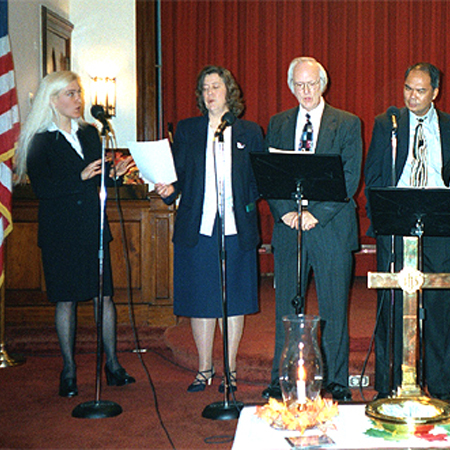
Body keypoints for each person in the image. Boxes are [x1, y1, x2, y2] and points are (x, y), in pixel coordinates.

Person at [14, 71, 136, 397]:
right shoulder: (40, 140)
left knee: (103, 297)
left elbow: (96, 180)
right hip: (60, 231)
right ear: (52, 100)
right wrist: (80, 176)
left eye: (78, 92)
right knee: (66, 300)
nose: (78, 99)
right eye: (70, 93)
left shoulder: (90, 133)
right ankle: (68, 370)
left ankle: (112, 364)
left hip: (91, 228)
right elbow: (43, 188)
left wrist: (114, 176)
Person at [155, 65, 263, 393]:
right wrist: (168, 190)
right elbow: (176, 174)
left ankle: (229, 369)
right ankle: (204, 368)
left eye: (215, 86)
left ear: (229, 91)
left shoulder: (249, 131)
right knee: (201, 298)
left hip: (235, 226)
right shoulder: (189, 130)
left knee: (234, 298)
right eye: (204, 88)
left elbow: (260, 179)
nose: (209, 93)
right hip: (197, 226)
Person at [262, 57, 362, 402]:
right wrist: (286, 212)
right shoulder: (277, 123)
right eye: (299, 85)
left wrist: (315, 214)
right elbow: (270, 174)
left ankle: (336, 381)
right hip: (290, 228)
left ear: (324, 83)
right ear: (291, 87)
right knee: (286, 308)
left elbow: (349, 178)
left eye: (312, 84)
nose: (306, 92)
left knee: (334, 309)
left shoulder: (347, 123)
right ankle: (282, 378)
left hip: (330, 227)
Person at [365, 62, 450, 401]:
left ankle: (442, 388)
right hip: (397, 224)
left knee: (440, 309)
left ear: (435, 92)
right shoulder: (387, 124)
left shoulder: (448, 126)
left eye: (420, 91)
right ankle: (389, 385)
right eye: (407, 89)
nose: (412, 97)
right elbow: (373, 177)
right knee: (394, 306)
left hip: (440, 226)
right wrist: (382, 221)